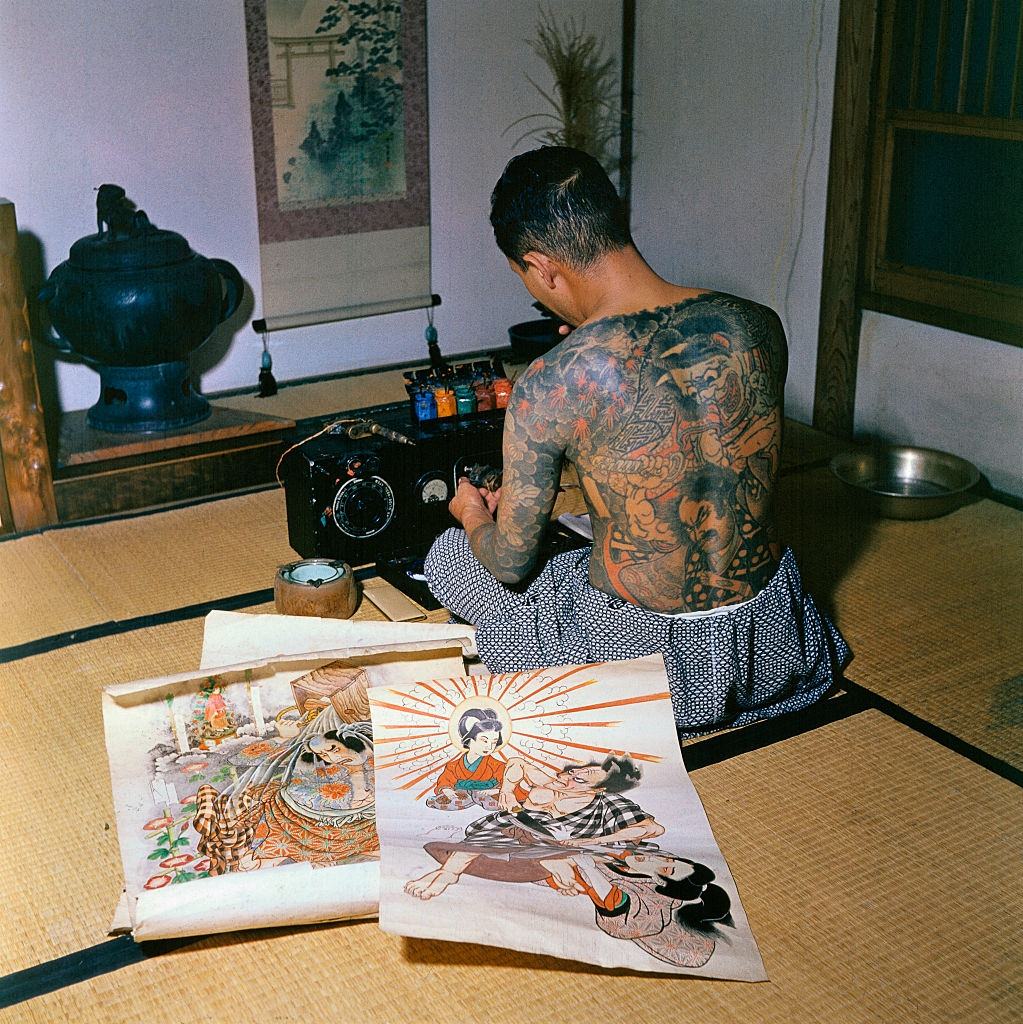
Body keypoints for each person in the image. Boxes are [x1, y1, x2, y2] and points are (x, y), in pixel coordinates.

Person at [424, 145, 851, 737]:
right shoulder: (757, 324)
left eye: (529, 279)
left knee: (451, 558)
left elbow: (512, 563)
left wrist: (472, 515)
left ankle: (620, 701)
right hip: (771, 644)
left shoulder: (553, 380)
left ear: (543, 266)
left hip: (648, 669)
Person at [405, 753, 663, 900]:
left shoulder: (607, 802)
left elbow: (651, 829)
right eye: (573, 773)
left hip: (552, 845)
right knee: (474, 845)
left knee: (561, 863)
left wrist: (588, 842)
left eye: (581, 780)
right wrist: (507, 789)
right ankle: (445, 876)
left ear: (600, 788)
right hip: (508, 830)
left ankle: (560, 873)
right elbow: (518, 763)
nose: (571, 778)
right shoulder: (549, 783)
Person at [428, 708, 506, 810]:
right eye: (484, 741)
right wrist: (447, 790)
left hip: (488, 796)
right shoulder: (453, 766)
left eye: (494, 742)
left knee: (494, 802)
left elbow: (508, 784)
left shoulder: (497, 765)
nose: (490, 747)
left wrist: (495, 791)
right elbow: (445, 781)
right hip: (461, 797)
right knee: (440, 801)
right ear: (469, 739)